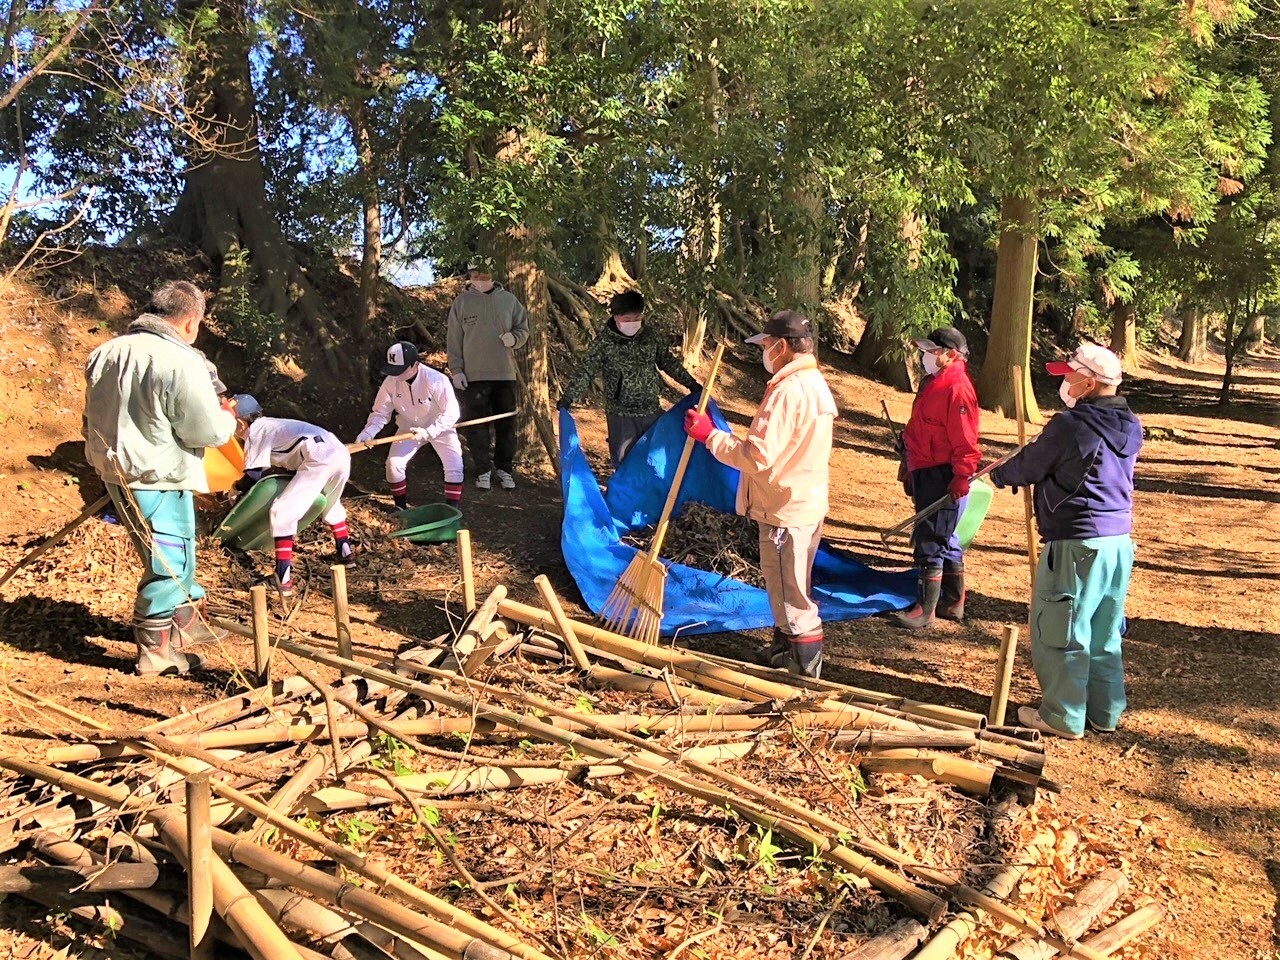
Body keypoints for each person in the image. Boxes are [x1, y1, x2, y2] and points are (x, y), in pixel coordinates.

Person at [83, 280, 238, 676]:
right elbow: (206, 430)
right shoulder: (180, 360)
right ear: (190, 323)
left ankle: (184, 625)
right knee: (169, 559)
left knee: (173, 550)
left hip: (116, 470)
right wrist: (229, 419)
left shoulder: (106, 352)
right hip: (158, 475)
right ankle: (155, 652)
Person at [989, 344, 1142, 739]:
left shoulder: (1071, 425)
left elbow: (1033, 464)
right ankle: (1104, 712)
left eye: (1069, 375)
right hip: (1118, 542)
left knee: (1062, 627)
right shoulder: (1130, 425)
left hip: (1078, 543)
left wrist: (1004, 474)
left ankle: (1063, 715)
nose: (1063, 382)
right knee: (1105, 628)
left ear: (1089, 382)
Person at [683, 310, 836, 678]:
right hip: (802, 499)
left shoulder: (789, 390)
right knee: (786, 585)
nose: (764, 352)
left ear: (782, 346)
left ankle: (802, 670)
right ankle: (784, 648)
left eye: (766, 345)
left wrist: (710, 436)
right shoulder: (814, 383)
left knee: (791, 590)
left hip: (786, 507)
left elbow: (758, 456)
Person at [894, 327, 981, 629]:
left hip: (942, 471)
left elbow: (966, 440)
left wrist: (961, 475)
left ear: (951, 355)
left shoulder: (956, 387)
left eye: (933, 352)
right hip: (925, 465)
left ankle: (925, 610)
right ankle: (952, 601)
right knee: (945, 537)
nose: (926, 357)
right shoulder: (935, 382)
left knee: (931, 537)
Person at [557, 290, 702, 467]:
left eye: (637, 318)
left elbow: (668, 362)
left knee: (656, 461)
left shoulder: (651, 337)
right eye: (627, 319)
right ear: (616, 317)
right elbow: (586, 371)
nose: (632, 323)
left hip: (651, 411)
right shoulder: (605, 343)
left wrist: (691, 384)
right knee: (624, 463)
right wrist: (568, 397)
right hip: (621, 416)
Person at [233, 396, 353, 598]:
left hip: (318, 458)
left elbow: (253, 476)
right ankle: (347, 554)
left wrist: (234, 491)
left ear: (239, 422)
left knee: (282, 511)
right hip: (338, 452)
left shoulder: (255, 431)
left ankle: (282, 580)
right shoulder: (271, 424)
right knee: (332, 503)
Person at [446, 260, 529, 490]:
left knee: (506, 425)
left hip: (505, 374)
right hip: (473, 376)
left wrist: (514, 338)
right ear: (470, 276)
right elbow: (453, 340)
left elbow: (523, 328)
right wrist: (457, 370)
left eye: (485, 275)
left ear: (493, 275)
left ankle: (504, 468)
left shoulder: (509, 301)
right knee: (477, 426)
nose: (481, 280)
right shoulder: (461, 303)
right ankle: (483, 469)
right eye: (476, 275)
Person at [356, 340, 464, 511]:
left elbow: (452, 412)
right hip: (408, 426)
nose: (397, 375)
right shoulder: (391, 382)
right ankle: (400, 509)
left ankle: (451, 510)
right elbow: (380, 413)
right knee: (393, 464)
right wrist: (369, 432)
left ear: (415, 364)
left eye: (401, 370)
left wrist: (430, 432)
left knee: (455, 465)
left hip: (440, 426)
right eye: (394, 370)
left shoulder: (436, 380)